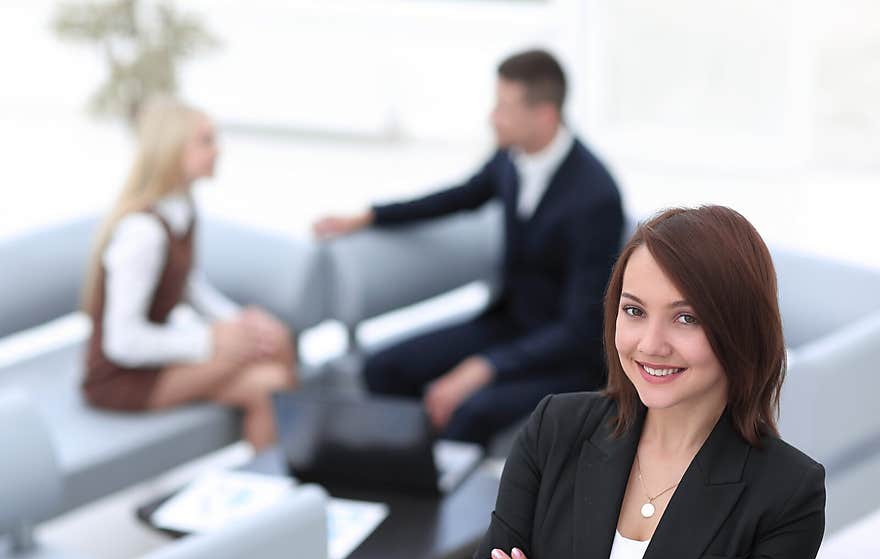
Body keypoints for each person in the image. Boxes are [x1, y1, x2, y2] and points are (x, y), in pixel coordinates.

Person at [454, 205, 826, 559]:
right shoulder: (555, 427)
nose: (651, 344)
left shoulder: (787, 491)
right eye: (634, 311)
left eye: (686, 318)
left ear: (741, 329)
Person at [314, 49, 623, 445]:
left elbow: (580, 328)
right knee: (383, 368)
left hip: (564, 353)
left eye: (503, 107)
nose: (492, 117)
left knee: (471, 410)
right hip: (507, 325)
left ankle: (448, 497)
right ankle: (408, 477)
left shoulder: (595, 196)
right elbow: (457, 197)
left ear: (544, 115)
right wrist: (371, 216)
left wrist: (484, 367)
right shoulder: (510, 159)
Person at [81, 96, 296, 450]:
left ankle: (288, 477)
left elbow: (189, 285)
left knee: (275, 346)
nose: (218, 150)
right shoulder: (143, 232)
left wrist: (240, 321)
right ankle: (279, 481)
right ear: (173, 150)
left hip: (153, 359)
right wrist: (209, 342)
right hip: (122, 377)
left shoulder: (182, 210)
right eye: (206, 141)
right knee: (270, 377)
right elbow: (121, 342)